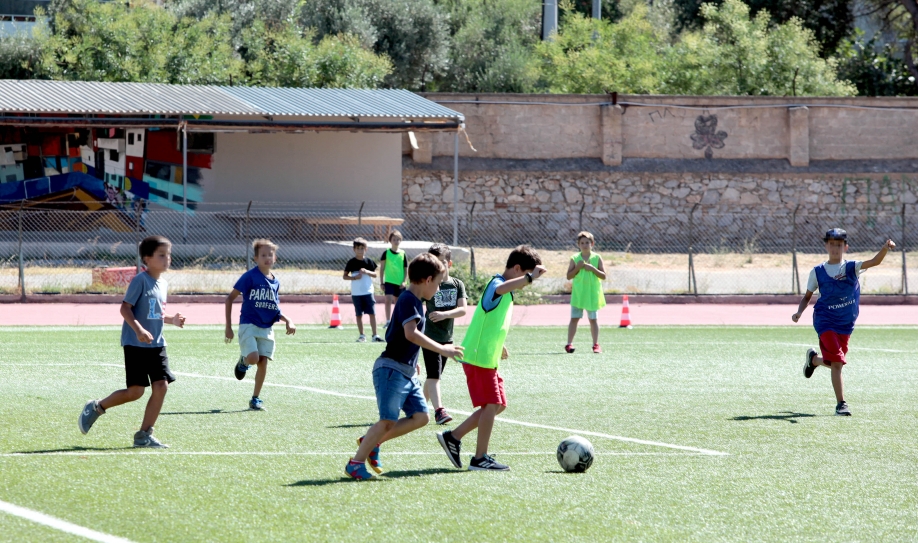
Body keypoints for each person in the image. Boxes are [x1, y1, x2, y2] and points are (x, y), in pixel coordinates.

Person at [345, 254, 464, 480]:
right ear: (427, 280)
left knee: (421, 417)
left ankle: (371, 441)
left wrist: (414, 361)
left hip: (406, 371)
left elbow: (404, 336)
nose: (438, 290)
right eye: (438, 284)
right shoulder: (409, 299)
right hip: (391, 369)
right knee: (388, 420)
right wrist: (443, 348)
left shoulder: (416, 301)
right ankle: (355, 462)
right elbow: (411, 333)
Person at [437, 245, 547, 471]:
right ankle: (480, 458)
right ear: (517, 268)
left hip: (488, 357)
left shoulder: (506, 289)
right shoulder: (497, 284)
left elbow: (490, 320)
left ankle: (453, 437)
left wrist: (500, 343)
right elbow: (502, 289)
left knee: (498, 405)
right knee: (492, 404)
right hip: (478, 358)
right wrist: (529, 278)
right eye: (525, 274)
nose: (528, 282)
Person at [78, 235, 186, 448]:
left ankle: (143, 435)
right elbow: (125, 308)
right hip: (136, 344)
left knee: (161, 386)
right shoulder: (140, 280)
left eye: (169, 255)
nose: (167, 259)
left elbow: (154, 313)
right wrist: (138, 330)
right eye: (161, 255)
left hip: (156, 344)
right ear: (147, 258)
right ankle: (97, 407)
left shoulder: (162, 283)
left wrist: (171, 319)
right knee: (135, 392)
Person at [792, 228, 896, 416]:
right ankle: (841, 404)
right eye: (831, 244)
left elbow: (874, 262)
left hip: (845, 323)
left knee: (834, 362)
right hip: (825, 320)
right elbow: (807, 297)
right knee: (838, 363)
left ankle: (814, 360)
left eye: (839, 245)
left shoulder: (852, 267)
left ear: (845, 247)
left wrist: (885, 248)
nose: (835, 248)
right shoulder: (817, 272)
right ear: (826, 246)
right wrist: (799, 312)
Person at [225, 238, 296, 410]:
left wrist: (289, 320)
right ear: (255, 258)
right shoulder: (250, 277)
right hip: (248, 324)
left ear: (275, 258)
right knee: (253, 358)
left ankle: (255, 398)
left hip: (266, 327)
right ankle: (243, 361)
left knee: (263, 362)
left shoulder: (275, 282)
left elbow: (274, 309)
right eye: (263, 255)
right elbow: (230, 299)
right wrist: (228, 327)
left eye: (270, 254)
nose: (267, 258)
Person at [422, 243, 467, 425]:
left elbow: (463, 309)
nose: (436, 267)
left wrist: (445, 314)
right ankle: (439, 411)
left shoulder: (457, 284)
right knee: (434, 376)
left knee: (434, 376)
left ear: (449, 264)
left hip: (447, 339)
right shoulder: (429, 283)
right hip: (429, 337)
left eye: (440, 262)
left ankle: (416, 408)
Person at [565, 231, 606, 354]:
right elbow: (569, 276)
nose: (584, 245)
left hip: (592, 294)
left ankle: (595, 344)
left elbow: (603, 276)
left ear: (592, 244)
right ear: (578, 244)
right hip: (579, 294)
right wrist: (577, 267)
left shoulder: (597, 258)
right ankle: (569, 344)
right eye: (582, 243)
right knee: (574, 318)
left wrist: (592, 269)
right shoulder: (575, 258)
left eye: (587, 242)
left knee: (593, 320)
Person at [343, 237, 383, 343]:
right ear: (354, 249)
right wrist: (354, 277)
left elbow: (375, 274)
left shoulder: (369, 262)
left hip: (368, 292)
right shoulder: (351, 262)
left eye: (362, 248)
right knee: (359, 314)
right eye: (357, 248)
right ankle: (362, 335)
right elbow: (345, 276)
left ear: (366, 249)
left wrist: (366, 271)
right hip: (356, 293)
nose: (360, 250)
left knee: (372, 313)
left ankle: (375, 335)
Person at [379, 230, 407, 326]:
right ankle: (387, 321)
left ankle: (397, 321)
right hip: (389, 281)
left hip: (399, 283)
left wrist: (404, 281)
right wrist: (382, 282)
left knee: (398, 303)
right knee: (388, 300)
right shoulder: (386, 253)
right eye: (394, 239)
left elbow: (405, 269)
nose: (396, 241)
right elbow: (382, 269)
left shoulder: (403, 253)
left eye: (398, 239)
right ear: (390, 240)